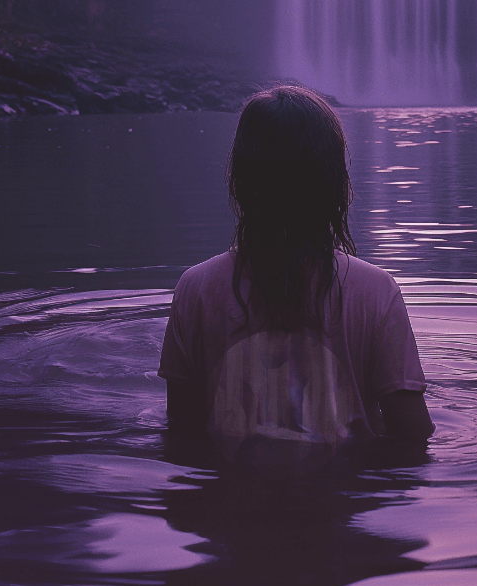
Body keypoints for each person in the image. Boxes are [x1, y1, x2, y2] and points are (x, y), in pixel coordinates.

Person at [159, 85, 434, 444]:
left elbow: (181, 431)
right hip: (345, 496)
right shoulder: (376, 293)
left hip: (232, 498)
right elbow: (413, 440)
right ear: (334, 182)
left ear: (241, 180)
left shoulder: (195, 289)